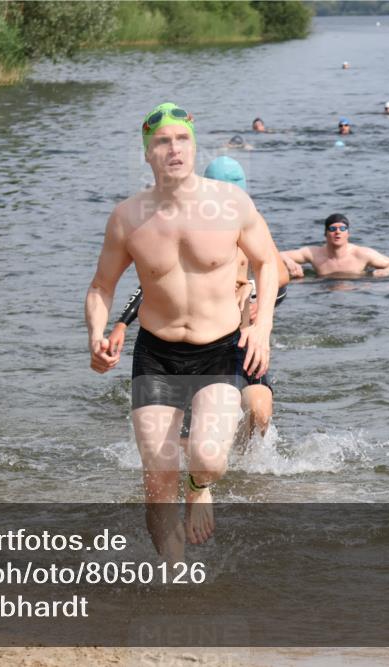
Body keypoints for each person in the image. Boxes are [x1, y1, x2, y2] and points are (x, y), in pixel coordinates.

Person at [86, 103, 279, 556]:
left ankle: (199, 487)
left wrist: (262, 325)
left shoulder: (230, 203)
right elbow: (101, 287)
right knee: (157, 477)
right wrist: (97, 334)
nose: (173, 149)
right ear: (147, 154)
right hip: (157, 353)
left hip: (220, 350)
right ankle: (175, 579)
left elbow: (268, 261)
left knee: (208, 459)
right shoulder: (128, 218)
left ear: (194, 146)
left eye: (182, 139)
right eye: (162, 142)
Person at [106, 156, 290, 442]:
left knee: (259, 411)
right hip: (188, 342)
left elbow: (279, 275)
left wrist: (259, 308)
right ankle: (203, 466)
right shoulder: (190, 222)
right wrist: (121, 323)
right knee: (182, 437)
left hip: (237, 340)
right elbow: (155, 285)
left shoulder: (247, 220)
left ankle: (241, 463)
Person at [281, 213, 389, 279]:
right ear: (325, 233)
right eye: (333, 229)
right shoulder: (313, 253)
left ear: (348, 233)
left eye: (342, 228)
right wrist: (289, 262)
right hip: (323, 292)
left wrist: (387, 271)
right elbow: (276, 253)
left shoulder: (362, 254)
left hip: (355, 292)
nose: (337, 232)